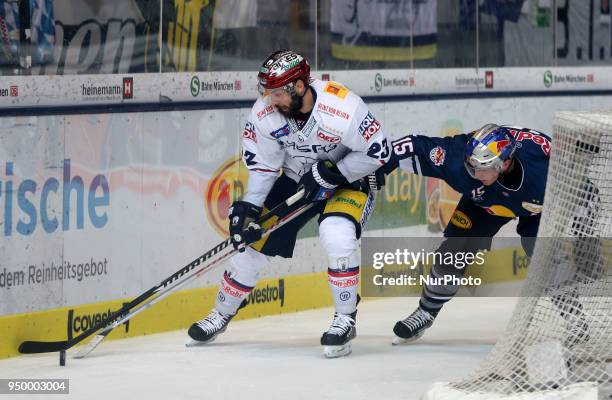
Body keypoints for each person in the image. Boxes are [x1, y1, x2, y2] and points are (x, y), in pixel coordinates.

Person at [187, 50, 390, 358]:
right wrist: (250, 207)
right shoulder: (266, 113)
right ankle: (221, 313)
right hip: (298, 181)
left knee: (336, 235)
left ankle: (345, 319)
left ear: (298, 86)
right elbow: (266, 167)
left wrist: (334, 173)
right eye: (266, 93)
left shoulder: (342, 106)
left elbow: (379, 153)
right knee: (251, 243)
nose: (270, 100)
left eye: (277, 93)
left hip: (350, 180)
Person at [380, 124, 559, 344]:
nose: (477, 174)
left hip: (537, 209)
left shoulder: (544, 165)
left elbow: (580, 183)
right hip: (485, 205)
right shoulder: (457, 158)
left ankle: (574, 315)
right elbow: (412, 146)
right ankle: (427, 311)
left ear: (506, 162)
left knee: (544, 254)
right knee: (453, 251)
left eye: (485, 168)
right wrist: (379, 165)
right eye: (473, 167)